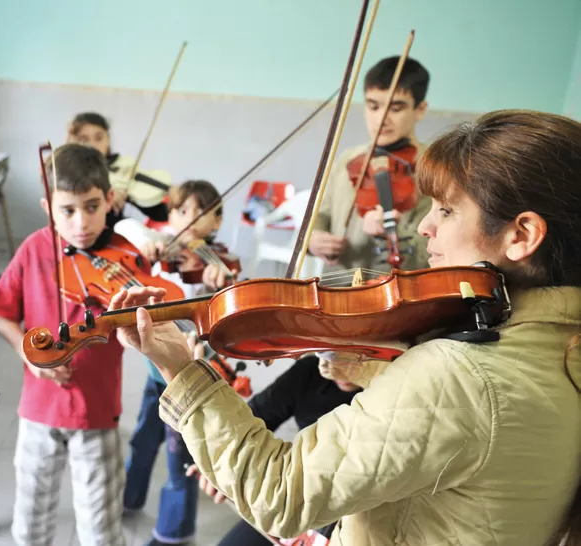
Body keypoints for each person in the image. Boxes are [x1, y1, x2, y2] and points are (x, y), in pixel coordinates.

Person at [106, 110, 581, 545]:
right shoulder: (560, 347)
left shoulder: (461, 375)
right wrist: (369, 369)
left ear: (521, 236)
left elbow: (279, 493)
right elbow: (471, 435)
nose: (425, 227)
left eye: (447, 210)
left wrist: (180, 368)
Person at [0, 143, 126, 546]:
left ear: (109, 200)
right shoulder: (34, 249)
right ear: (49, 208)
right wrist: (30, 356)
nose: (81, 223)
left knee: (100, 532)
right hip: (39, 411)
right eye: (67, 210)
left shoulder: (121, 255)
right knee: (30, 526)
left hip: (96, 411)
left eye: (92, 207)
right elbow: (2, 315)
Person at [113, 179, 233, 546]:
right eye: (182, 211)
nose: (190, 220)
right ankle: (128, 498)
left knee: (180, 455)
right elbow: (123, 226)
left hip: (186, 373)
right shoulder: (162, 246)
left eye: (201, 213)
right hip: (156, 370)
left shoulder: (218, 262)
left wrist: (217, 287)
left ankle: (174, 533)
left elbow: (222, 319)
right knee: (143, 438)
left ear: (217, 221)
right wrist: (147, 242)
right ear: (170, 215)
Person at [214, 355, 361, 545]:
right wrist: (225, 462)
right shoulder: (310, 371)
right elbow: (253, 421)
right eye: (329, 353)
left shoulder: (389, 393)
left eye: (357, 356)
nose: (338, 366)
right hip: (301, 496)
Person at [308, 56, 433, 273]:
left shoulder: (434, 166)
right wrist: (313, 238)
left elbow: (430, 250)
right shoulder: (348, 159)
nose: (381, 119)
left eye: (396, 108)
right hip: (339, 285)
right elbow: (321, 214)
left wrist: (392, 233)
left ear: (420, 109)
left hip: (397, 287)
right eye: (373, 106)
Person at [66, 112, 171, 228]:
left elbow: (160, 215)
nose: (93, 145)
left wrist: (176, 200)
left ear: (108, 140)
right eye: (84, 140)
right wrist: (105, 199)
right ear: (72, 141)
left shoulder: (121, 165)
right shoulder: (68, 174)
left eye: (99, 138)